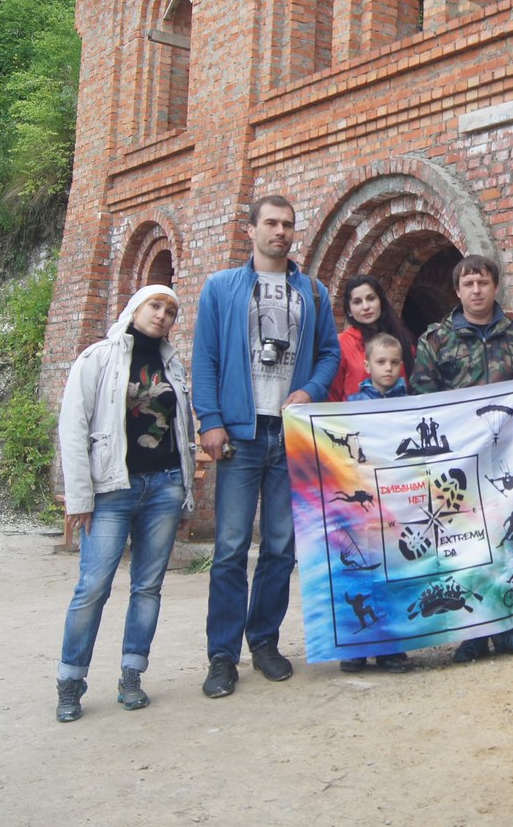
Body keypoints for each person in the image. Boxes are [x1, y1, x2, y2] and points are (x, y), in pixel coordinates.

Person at [195, 194, 341, 696]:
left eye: (288, 225)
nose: (281, 232)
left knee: (281, 546)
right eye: (272, 223)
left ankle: (264, 642)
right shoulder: (221, 288)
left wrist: (312, 390)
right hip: (240, 434)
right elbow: (206, 359)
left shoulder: (314, 292)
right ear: (251, 229)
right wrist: (210, 420)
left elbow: (329, 354)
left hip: (290, 433)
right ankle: (221, 655)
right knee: (231, 547)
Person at [411, 253, 513, 662]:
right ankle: (473, 633)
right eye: (468, 284)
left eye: (483, 283)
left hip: (508, 466)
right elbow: (421, 402)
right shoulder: (436, 341)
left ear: (495, 286)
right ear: (457, 290)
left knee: (509, 543)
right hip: (456, 467)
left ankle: (511, 628)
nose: (476, 290)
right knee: (463, 545)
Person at [54, 285, 194, 722]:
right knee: (92, 587)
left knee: (148, 587)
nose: (162, 316)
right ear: (135, 308)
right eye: (156, 306)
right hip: (112, 490)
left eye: (171, 311)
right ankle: (70, 682)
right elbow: (73, 427)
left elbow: (181, 431)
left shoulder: (173, 365)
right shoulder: (98, 358)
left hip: (165, 486)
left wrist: (184, 493)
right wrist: (79, 497)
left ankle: (132, 675)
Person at [338, 333, 412, 673]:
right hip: (361, 505)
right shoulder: (352, 405)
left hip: (395, 504)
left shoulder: (411, 403)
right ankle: (356, 647)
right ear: (367, 366)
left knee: (393, 573)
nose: (389, 368)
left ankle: (391, 647)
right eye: (381, 362)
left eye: (395, 362)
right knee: (358, 573)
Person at [328, 275, 417, 401]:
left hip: (397, 416)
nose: (365, 307)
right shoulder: (341, 344)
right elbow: (332, 396)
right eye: (357, 302)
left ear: (381, 301)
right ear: (349, 310)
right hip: (354, 418)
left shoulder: (401, 340)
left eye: (370, 299)